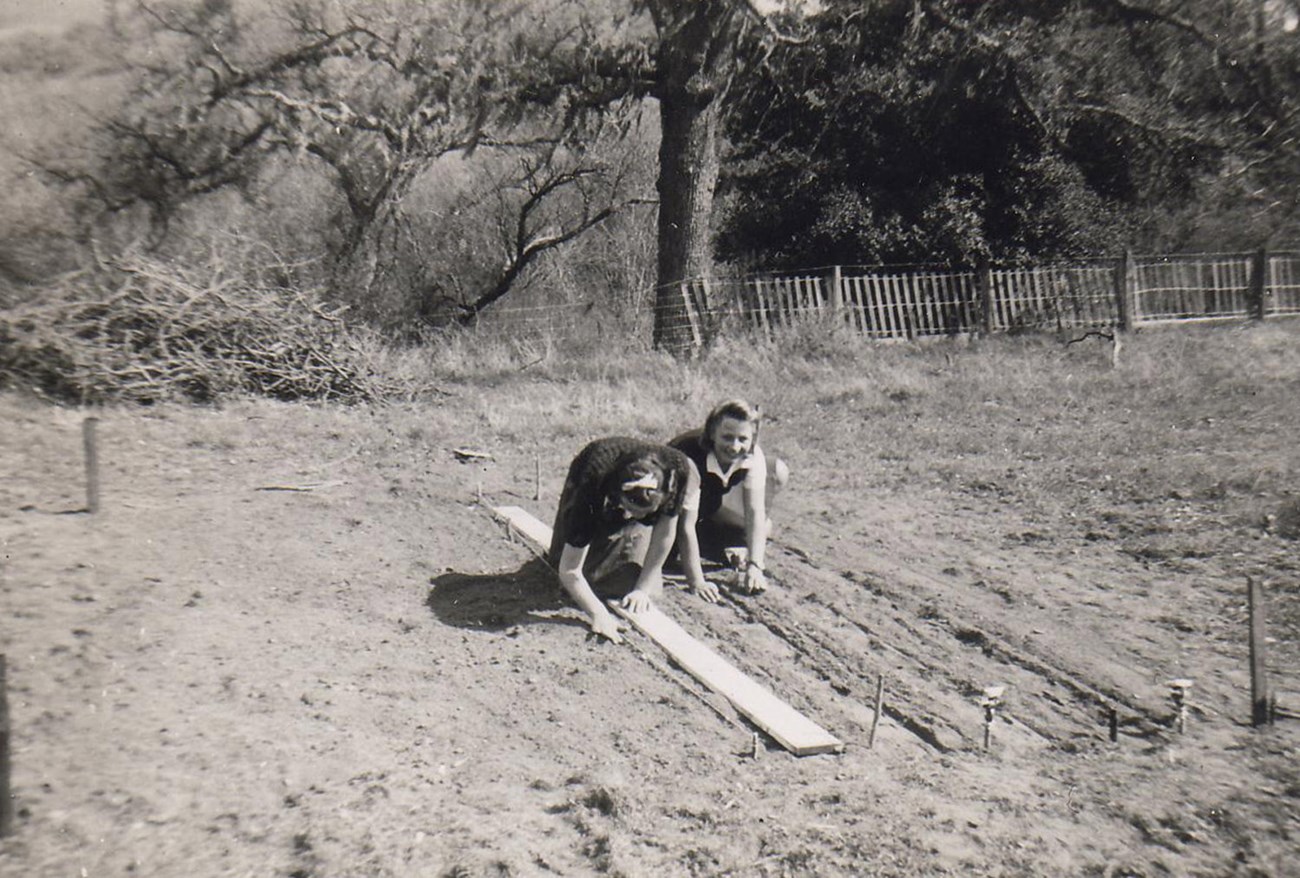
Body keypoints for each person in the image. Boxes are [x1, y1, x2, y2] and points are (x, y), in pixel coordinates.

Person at [548, 436, 699, 644]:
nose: (635, 517)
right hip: (590, 470)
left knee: (642, 586)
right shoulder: (595, 482)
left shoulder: (678, 469)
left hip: (648, 479)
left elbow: (665, 532)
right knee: (569, 571)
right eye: (630, 509)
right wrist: (599, 614)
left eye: (645, 514)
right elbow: (569, 570)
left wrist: (642, 589)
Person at [669, 399, 789, 600]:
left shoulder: (753, 456)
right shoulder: (690, 456)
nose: (734, 447)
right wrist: (697, 581)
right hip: (671, 510)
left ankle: (721, 545)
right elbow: (685, 525)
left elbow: (754, 512)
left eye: (743, 439)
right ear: (712, 434)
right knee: (666, 550)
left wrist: (755, 566)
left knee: (762, 528)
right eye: (727, 437)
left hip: (708, 504)